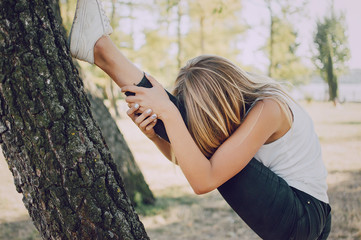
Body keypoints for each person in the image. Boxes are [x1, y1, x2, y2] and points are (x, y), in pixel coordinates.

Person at [69, 0, 332, 239]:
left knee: (188, 130)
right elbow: (188, 159)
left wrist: (170, 114)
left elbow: (204, 180)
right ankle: (101, 50)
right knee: (195, 139)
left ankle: (103, 52)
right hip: (307, 220)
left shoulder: (269, 108)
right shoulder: (246, 107)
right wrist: (155, 136)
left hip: (305, 217)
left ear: (225, 98)